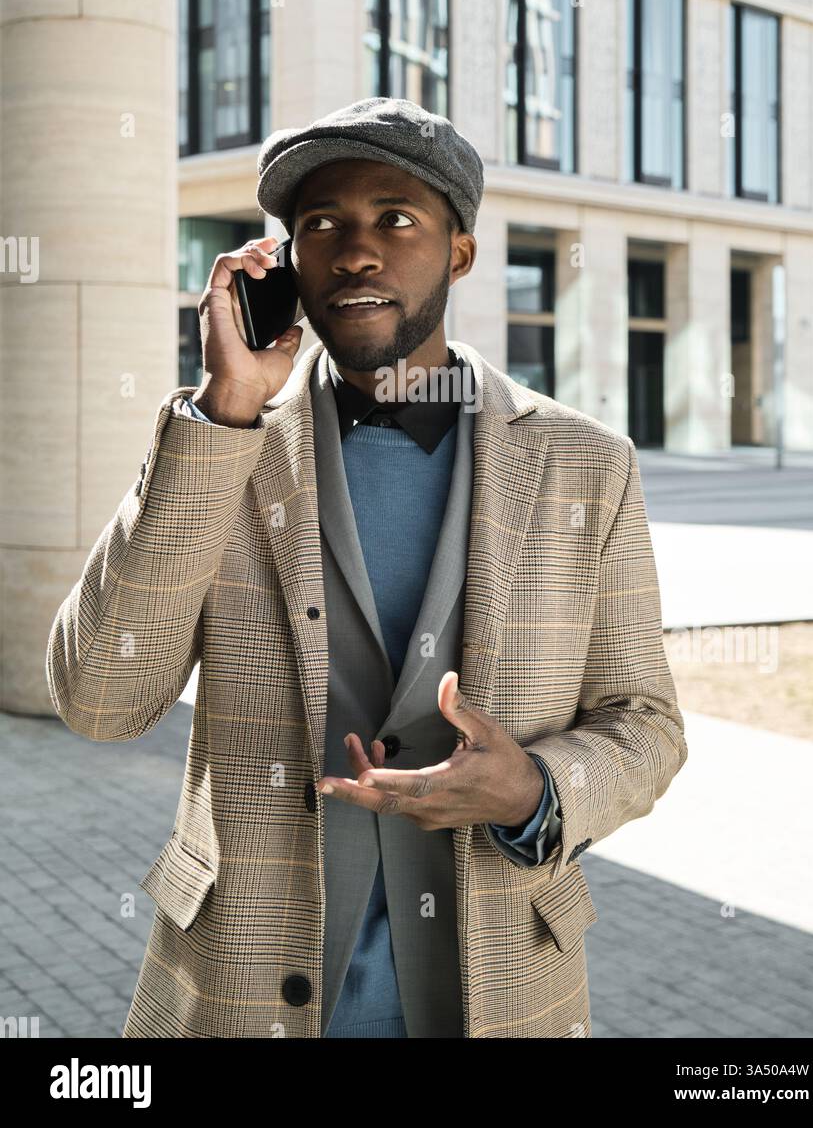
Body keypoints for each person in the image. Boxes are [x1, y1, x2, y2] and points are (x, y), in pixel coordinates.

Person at [46, 96, 688, 1039]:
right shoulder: (225, 444)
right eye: (321, 226)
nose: (355, 251)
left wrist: (535, 790)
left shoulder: (584, 461)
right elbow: (99, 699)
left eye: (396, 219)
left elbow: (646, 722)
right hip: (242, 991)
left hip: (502, 990)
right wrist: (222, 414)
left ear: (458, 252)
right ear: (288, 262)